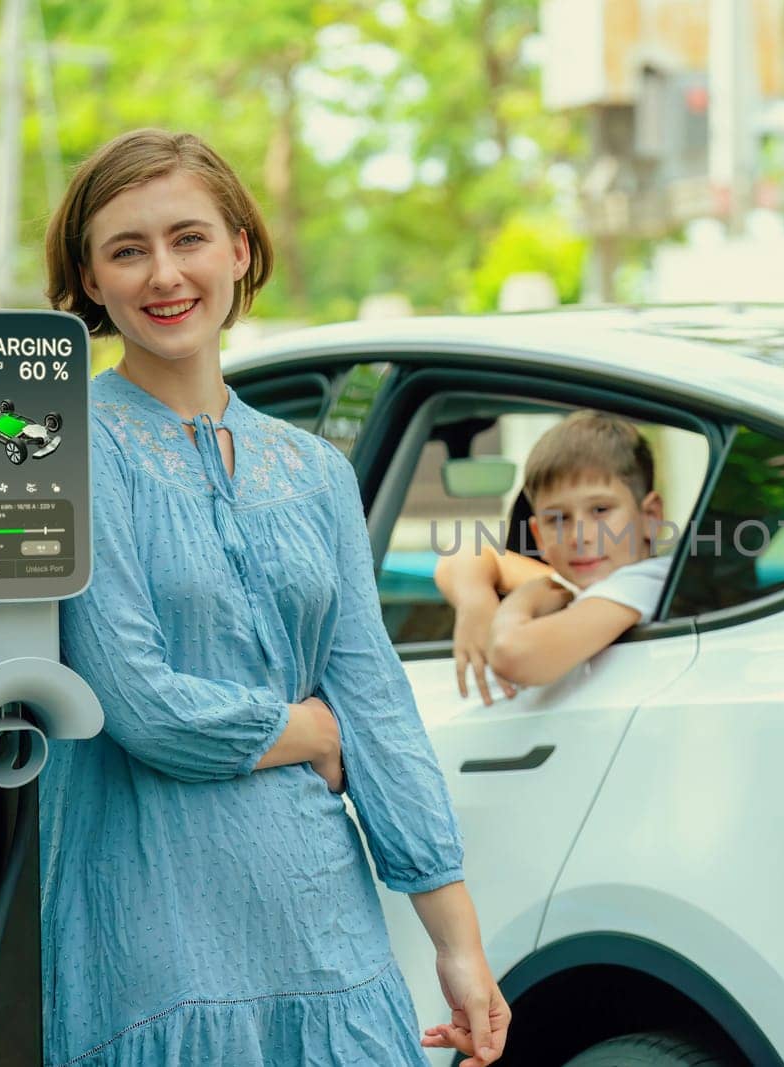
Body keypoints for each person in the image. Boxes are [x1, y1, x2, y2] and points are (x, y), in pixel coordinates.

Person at [41, 128, 507, 1067]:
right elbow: (139, 701)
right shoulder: (66, 443)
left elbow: (375, 699)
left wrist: (458, 946)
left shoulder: (316, 471)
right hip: (154, 937)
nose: (164, 273)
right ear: (91, 280)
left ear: (240, 248)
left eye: (189, 238)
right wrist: (311, 733)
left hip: (324, 923)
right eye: (127, 251)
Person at [434, 410, 669, 703]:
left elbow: (512, 652)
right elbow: (462, 555)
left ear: (650, 516)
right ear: (539, 536)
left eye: (600, 510)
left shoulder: (644, 582)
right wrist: (475, 603)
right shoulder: (576, 584)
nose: (578, 536)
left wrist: (525, 598)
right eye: (558, 519)